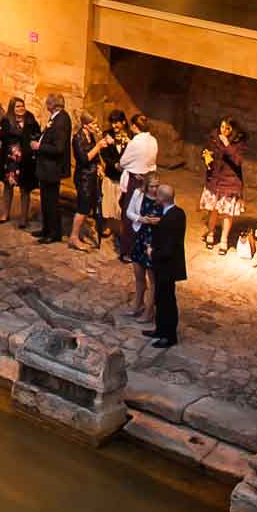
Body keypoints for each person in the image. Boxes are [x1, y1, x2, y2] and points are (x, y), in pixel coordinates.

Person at [143, 182, 187, 348]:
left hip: (166, 267)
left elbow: (167, 249)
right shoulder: (178, 213)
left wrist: (151, 252)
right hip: (168, 266)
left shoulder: (168, 220)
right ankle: (160, 329)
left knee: (167, 301)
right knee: (160, 299)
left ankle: (169, 336)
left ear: (161, 198)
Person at [113, 111, 159, 259]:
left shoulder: (136, 142)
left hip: (136, 181)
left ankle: (127, 251)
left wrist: (119, 165)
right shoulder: (153, 140)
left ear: (134, 126)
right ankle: (141, 246)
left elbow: (124, 161)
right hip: (149, 179)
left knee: (130, 213)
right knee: (143, 211)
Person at [200, 118, 247, 253]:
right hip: (214, 179)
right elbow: (205, 150)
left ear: (233, 130)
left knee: (227, 213)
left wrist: (227, 145)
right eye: (222, 127)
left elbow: (238, 161)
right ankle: (211, 233)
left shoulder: (239, 142)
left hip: (230, 182)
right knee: (213, 210)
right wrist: (205, 156)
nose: (223, 131)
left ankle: (224, 240)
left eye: (227, 128)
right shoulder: (214, 137)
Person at [0, 96, 38, 228]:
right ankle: (5, 213)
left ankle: (23, 218)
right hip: (10, 160)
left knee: (25, 189)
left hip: (25, 160)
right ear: (12, 108)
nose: (21, 108)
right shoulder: (6, 120)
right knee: (8, 186)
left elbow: (37, 134)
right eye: (18, 106)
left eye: (22, 105)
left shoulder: (30, 119)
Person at [69, 110, 108, 251]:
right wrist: (98, 146)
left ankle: (79, 233)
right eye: (93, 123)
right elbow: (84, 159)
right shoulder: (77, 138)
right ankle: (73, 237)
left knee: (88, 208)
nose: (96, 126)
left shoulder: (90, 135)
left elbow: (95, 157)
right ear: (85, 125)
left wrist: (99, 167)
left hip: (92, 176)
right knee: (82, 208)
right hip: (83, 178)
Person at [35, 93, 71, 243]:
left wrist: (39, 146)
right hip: (46, 167)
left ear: (53, 105)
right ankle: (46, 229)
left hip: (52, 167)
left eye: (47, 103)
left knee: (51, 201)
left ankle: (53, 233)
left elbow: (58, 148)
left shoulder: (61, 120)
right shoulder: (56, 117)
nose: (45, 105)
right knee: (45, 199)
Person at [125, 180, 160, 323]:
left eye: (157, 186)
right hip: (141, 236)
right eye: (152, 186)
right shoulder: (138, 194)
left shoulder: (161, 198)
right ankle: (138, 304)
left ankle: (149, 311)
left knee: (153, 280)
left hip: (154, 241)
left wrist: (159, 221)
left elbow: (167, 217)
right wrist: (141, 219)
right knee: (139, 275)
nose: (154, 189)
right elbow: (129, 212)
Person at [97, 110, 130, 248]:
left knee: (122, 204)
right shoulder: (107, 135)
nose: (114, 125)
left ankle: (122, 230)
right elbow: (104, 154)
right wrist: (114, 164)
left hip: (124, 176)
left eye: (116, 122)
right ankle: (109, 226)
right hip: (111, 173)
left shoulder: (130, 136)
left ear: (123, 122)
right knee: (109, 202)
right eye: (112, 122)